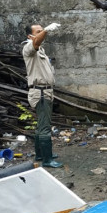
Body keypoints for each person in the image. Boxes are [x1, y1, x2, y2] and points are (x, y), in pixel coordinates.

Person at [23, 22, 63, 168]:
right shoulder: (29, 47)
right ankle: (47, 160)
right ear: (30, 35)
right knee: (45, 126)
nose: (42, 33)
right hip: (40, 92)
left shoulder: (40, 50)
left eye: (42, 30)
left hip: (44, 91)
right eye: (38, 31)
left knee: (41, 124)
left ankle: (40, 154)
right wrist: (45, 31)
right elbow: (36, 41)